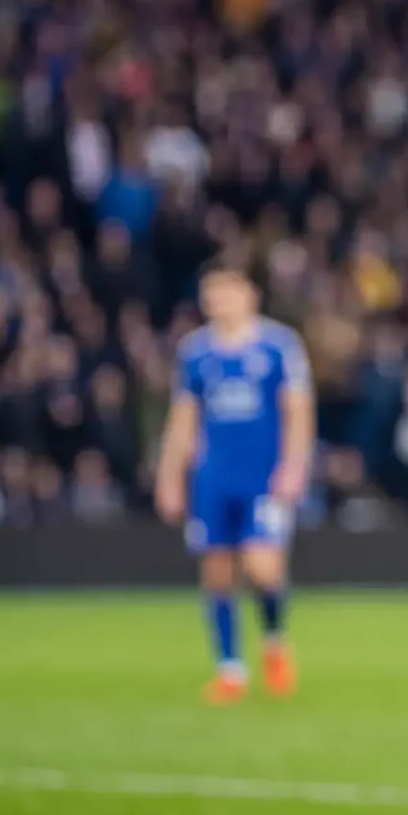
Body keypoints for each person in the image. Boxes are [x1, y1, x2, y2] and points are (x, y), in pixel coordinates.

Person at [154, 269, 314, 704]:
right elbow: (184, 420)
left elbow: (297, 410)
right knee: (217, 573)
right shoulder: (196, 352)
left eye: (227, 291)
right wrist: (170, 476)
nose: (218, 300)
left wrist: (294, 466)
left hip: (262, 477)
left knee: (263, 569)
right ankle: (230, 670)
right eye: (211, 293)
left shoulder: (278, 346)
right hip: (213, 478)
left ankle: (275, 641)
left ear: (250, 295)